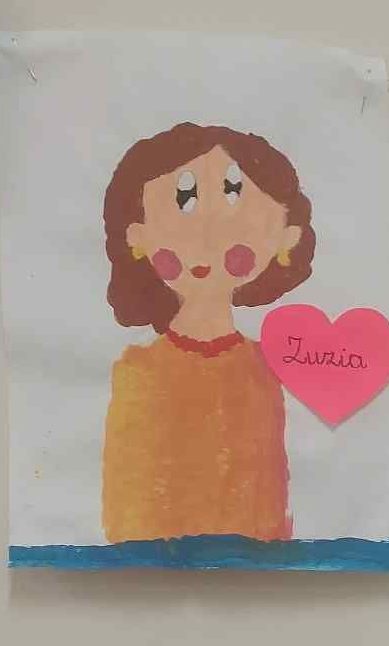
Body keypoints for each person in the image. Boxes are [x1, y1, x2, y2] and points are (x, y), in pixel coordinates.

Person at [100, 124, 315, 544]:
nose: (210, 229)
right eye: (185, 198)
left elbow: (270, 512)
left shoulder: (267, 371)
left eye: (233, 192)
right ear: (137, 236)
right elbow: (128, 521)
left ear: (286, 235)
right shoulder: (139, 375)